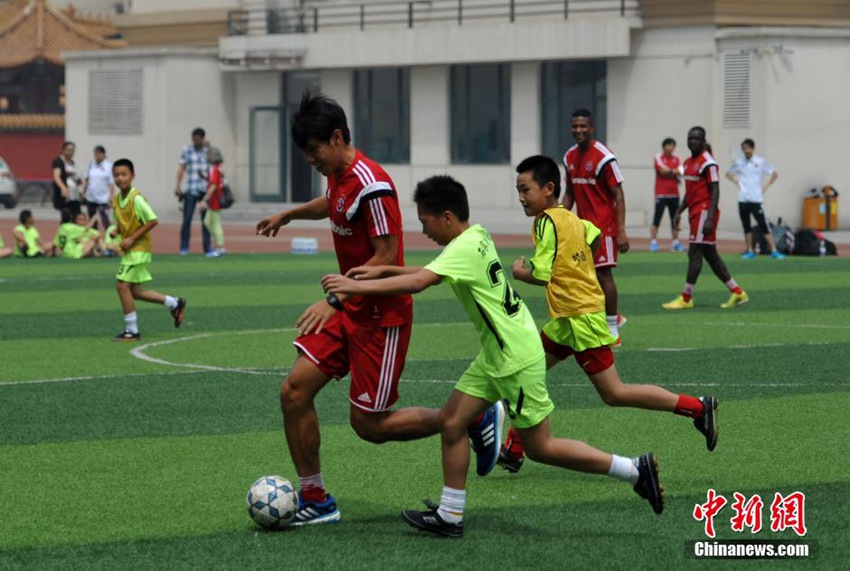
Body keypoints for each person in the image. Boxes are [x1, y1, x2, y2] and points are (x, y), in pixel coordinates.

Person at [322, 175, 664, 539]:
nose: (424, 231)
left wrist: (355, 286)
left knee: (541, 448)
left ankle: (634, 470)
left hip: (512, 357)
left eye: (425, 222)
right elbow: (430, 274)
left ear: (448, 217)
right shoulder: (476, 236)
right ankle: (450, 515)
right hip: (500, 352)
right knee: (452, 423)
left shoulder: (463, 248)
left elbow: (420, 282)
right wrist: (382, 270)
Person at [255, 93, 502, 527]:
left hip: (380, 318)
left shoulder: (374, 185)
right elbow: (330, 204)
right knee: (293, 392)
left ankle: (472, 415)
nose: (311, 160)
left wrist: (334, 299)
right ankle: (316, 499)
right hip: (351, 308)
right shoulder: (337, 174)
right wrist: (290, 214)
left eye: (313, 151)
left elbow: (386, 256)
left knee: (369, 426)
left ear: (336, 138)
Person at [496, 155, 718, 474]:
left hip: (580, 319)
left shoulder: (545, 222)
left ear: (548, 189)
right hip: (567, 320)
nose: (520, 197)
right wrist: (579, 268)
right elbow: (594, 235)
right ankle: (516, 447)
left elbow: (541, 272)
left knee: (614, 393)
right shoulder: (572, 218)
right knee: (526, 373)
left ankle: (698, 408)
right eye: (517, 190)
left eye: (525, 190)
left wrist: (519, 271)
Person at [663, 127, 749, 311]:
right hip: (695, 211)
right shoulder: (687, 163)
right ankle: (737, 292)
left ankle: (686, 297)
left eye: (696, 138)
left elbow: (715, 189)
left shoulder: (708, 163)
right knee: (710, 254)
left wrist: (710, 217)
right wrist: (679, 210)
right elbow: (690, 191)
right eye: (690, 138)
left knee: (694, 252)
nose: (692, 141)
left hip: (704, 212)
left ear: (703, 141)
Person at [563, 109, 628, 344]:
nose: (578, 130)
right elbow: (570, 192)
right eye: (575, 126)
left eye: (583, 126)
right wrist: (558, 218)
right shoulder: (569, 156)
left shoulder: (604, 157)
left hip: (604, 228)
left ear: (592, 128)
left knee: (603, 274)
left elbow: (618, 195)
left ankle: (613, 329)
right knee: (584, 275)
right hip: (583, 229)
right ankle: (614, 317)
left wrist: (621, 230)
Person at [111, 158, 186, 341]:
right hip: (131, 250)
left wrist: (131, 239)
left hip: (139, 249)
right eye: (116, 175)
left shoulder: (136, 198)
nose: (120, 178)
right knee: (134, 291)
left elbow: (152, 220)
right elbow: (126, 222)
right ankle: (174, 303)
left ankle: (132, 330)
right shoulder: (116, 200)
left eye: (124, 174)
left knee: (121, 286)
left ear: (132, 176)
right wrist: (117, 231)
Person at [725, 139, 784, 259]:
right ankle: (749, 250)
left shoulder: (761, 162)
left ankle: (774, 250)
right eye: (744, 148)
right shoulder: (739, 162)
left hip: (756, 199)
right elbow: (728, 174)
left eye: (747, 148)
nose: (746, 150)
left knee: (763, 225)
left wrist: (766, 185)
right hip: (743, 199)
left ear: (752, 148)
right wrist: (737, 182)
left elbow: (774, 173)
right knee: (746, 225)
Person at [175, 127, 212, 255]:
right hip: (191, 188)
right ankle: (184, 247)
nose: (194, 141)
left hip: (204, 189)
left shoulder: (208, 151)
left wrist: (209, 144)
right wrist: (178, 185)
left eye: (197, 139)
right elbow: (181, 167)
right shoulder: (187, 150)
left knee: (206, 221)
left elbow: (214, 167)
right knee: (187, 220)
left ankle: (207, 248)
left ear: (202, 139)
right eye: (193, 139)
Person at [650, 138, 685, 253]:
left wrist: (672, 171)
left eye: (673, 146)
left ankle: (675, 243)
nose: (671, 148)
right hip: (661, 194)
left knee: (674, 219)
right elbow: (662, 171)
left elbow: (680, 171)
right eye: (669, 145)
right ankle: (654, 242)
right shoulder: (658, 157)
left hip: (674, 194)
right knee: (657, 218)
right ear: (664, 146)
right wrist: (673, 172)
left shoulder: (676, 159)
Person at [81, 145, 114, 229]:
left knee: (104, 218)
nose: (97, 156)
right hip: (91, 196)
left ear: (103, 154)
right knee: (92, 218)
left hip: (103, 197)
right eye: (96, 154)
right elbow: (85, 178)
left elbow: (111, 182)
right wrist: (83, 190)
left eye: (99, 154)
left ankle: (109, 235)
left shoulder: (109, 166)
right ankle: (94, 237)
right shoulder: (91, 165)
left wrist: (111, 196)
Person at [201, 147, 226, 257]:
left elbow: (213, 185)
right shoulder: (217, 169)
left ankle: (220, 247)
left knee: (214, 223)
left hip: (214, 200)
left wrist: (205, 199)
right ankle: (218, 246)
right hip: (215, 199)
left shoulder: (214, 169)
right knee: (209, 222)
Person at [52, 141, 81, 218]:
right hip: (65, 196)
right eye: (68, 150)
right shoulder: (58, 161)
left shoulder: (71, 162)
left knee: (77, 215)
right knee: (67, 217)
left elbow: (72, 176)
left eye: (72, 151)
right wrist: (63, 188)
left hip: (74, 195)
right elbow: (56, 176)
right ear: (63, 150)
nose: (70, 153)